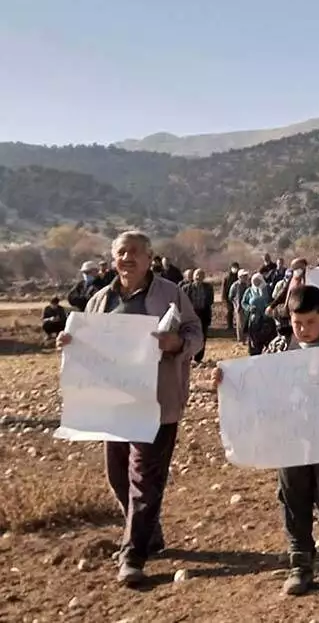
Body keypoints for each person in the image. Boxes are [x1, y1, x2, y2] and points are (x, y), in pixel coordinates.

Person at [56, 231, 202, 586]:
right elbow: (89, 346)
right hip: (114, 404)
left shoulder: (171, 293)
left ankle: (132, 555)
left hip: (157, 403)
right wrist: (69, 343)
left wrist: (178, 343)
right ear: (113, 258)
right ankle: (149, 533)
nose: (128, 258)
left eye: (135, 252)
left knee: (143, 477)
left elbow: (196, 333)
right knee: (118, 476)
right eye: (122, 252)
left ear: (150, 257)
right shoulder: (99, 300)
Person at [214, 286, 319, 595]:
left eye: (310, 322)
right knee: (293, 497)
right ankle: (300, 562)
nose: (303, 329)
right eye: (297, 322)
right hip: (289, 440)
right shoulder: (277, 348)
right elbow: (254, 385)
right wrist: (226, 383)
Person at [181, 268, 214, 363]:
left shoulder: (208, 288)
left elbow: (210, 301)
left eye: (201, 275)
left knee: (202, 336)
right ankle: (188, 357)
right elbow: (183, 302)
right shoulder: (186, 288)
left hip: (203, 314)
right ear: (193, 276)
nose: (199, 277)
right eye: (197, 275)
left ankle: (198, 358)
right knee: (189, 336)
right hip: (191, 315)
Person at [242, 273, 274, 356]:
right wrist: (249, 308)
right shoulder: (249, 291)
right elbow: (244, 303)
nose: (256, 282)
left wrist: (270, 306)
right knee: (255, 343)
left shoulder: (268, 289)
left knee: (269, 341)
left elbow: (274, 300)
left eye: (258, 280)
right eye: (254, 281)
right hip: (254, 320)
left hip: (267, 319)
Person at [228, 269, 251, 343]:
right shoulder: (235, 285)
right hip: (239, 307)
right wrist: (235, 304)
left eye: (246, 276)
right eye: (244, 276)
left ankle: (247, 338)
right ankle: (240, 339)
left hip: (247, 306)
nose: (245, 277)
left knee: (247, 323)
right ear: (239, 277)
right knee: (240, 324)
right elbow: (230, 296)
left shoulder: (248, 284)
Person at [222, 262, 241, 332]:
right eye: (234, 267)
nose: (235, 269)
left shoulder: (239, 276)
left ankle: (238, 324)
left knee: (238, 311)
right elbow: (224, 287)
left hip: (238, 297)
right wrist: (223, 297)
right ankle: (229, 325)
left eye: (236, 267)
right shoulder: (227, 277)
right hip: (229, 297)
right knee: (230, 311)